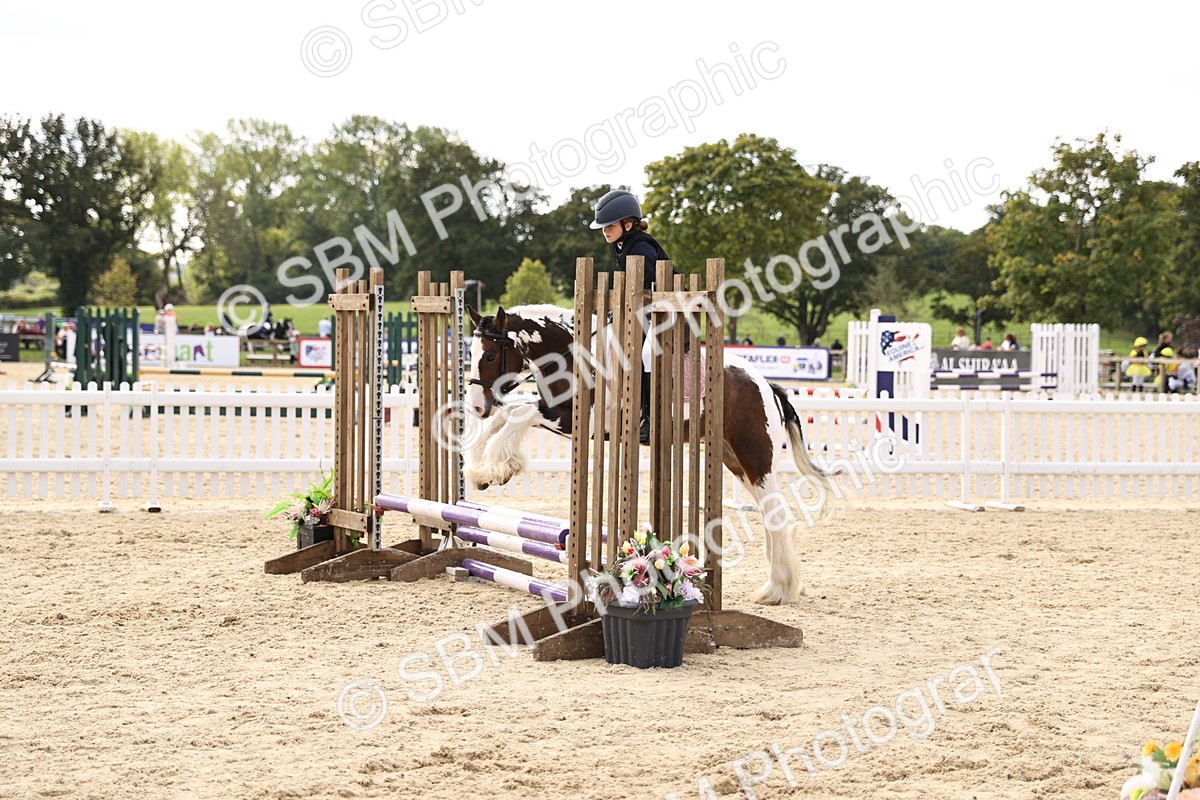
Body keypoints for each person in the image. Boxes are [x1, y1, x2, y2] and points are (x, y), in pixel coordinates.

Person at [591, 189, 674, 444]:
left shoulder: (641, 247)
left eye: (610, 226)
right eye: (603, 227)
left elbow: (646, 289)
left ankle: (650, 417)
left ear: (628, 224)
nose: (605, 230)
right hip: (643, 312)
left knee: (646, 354)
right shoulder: (620, 245)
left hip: (666, 312)